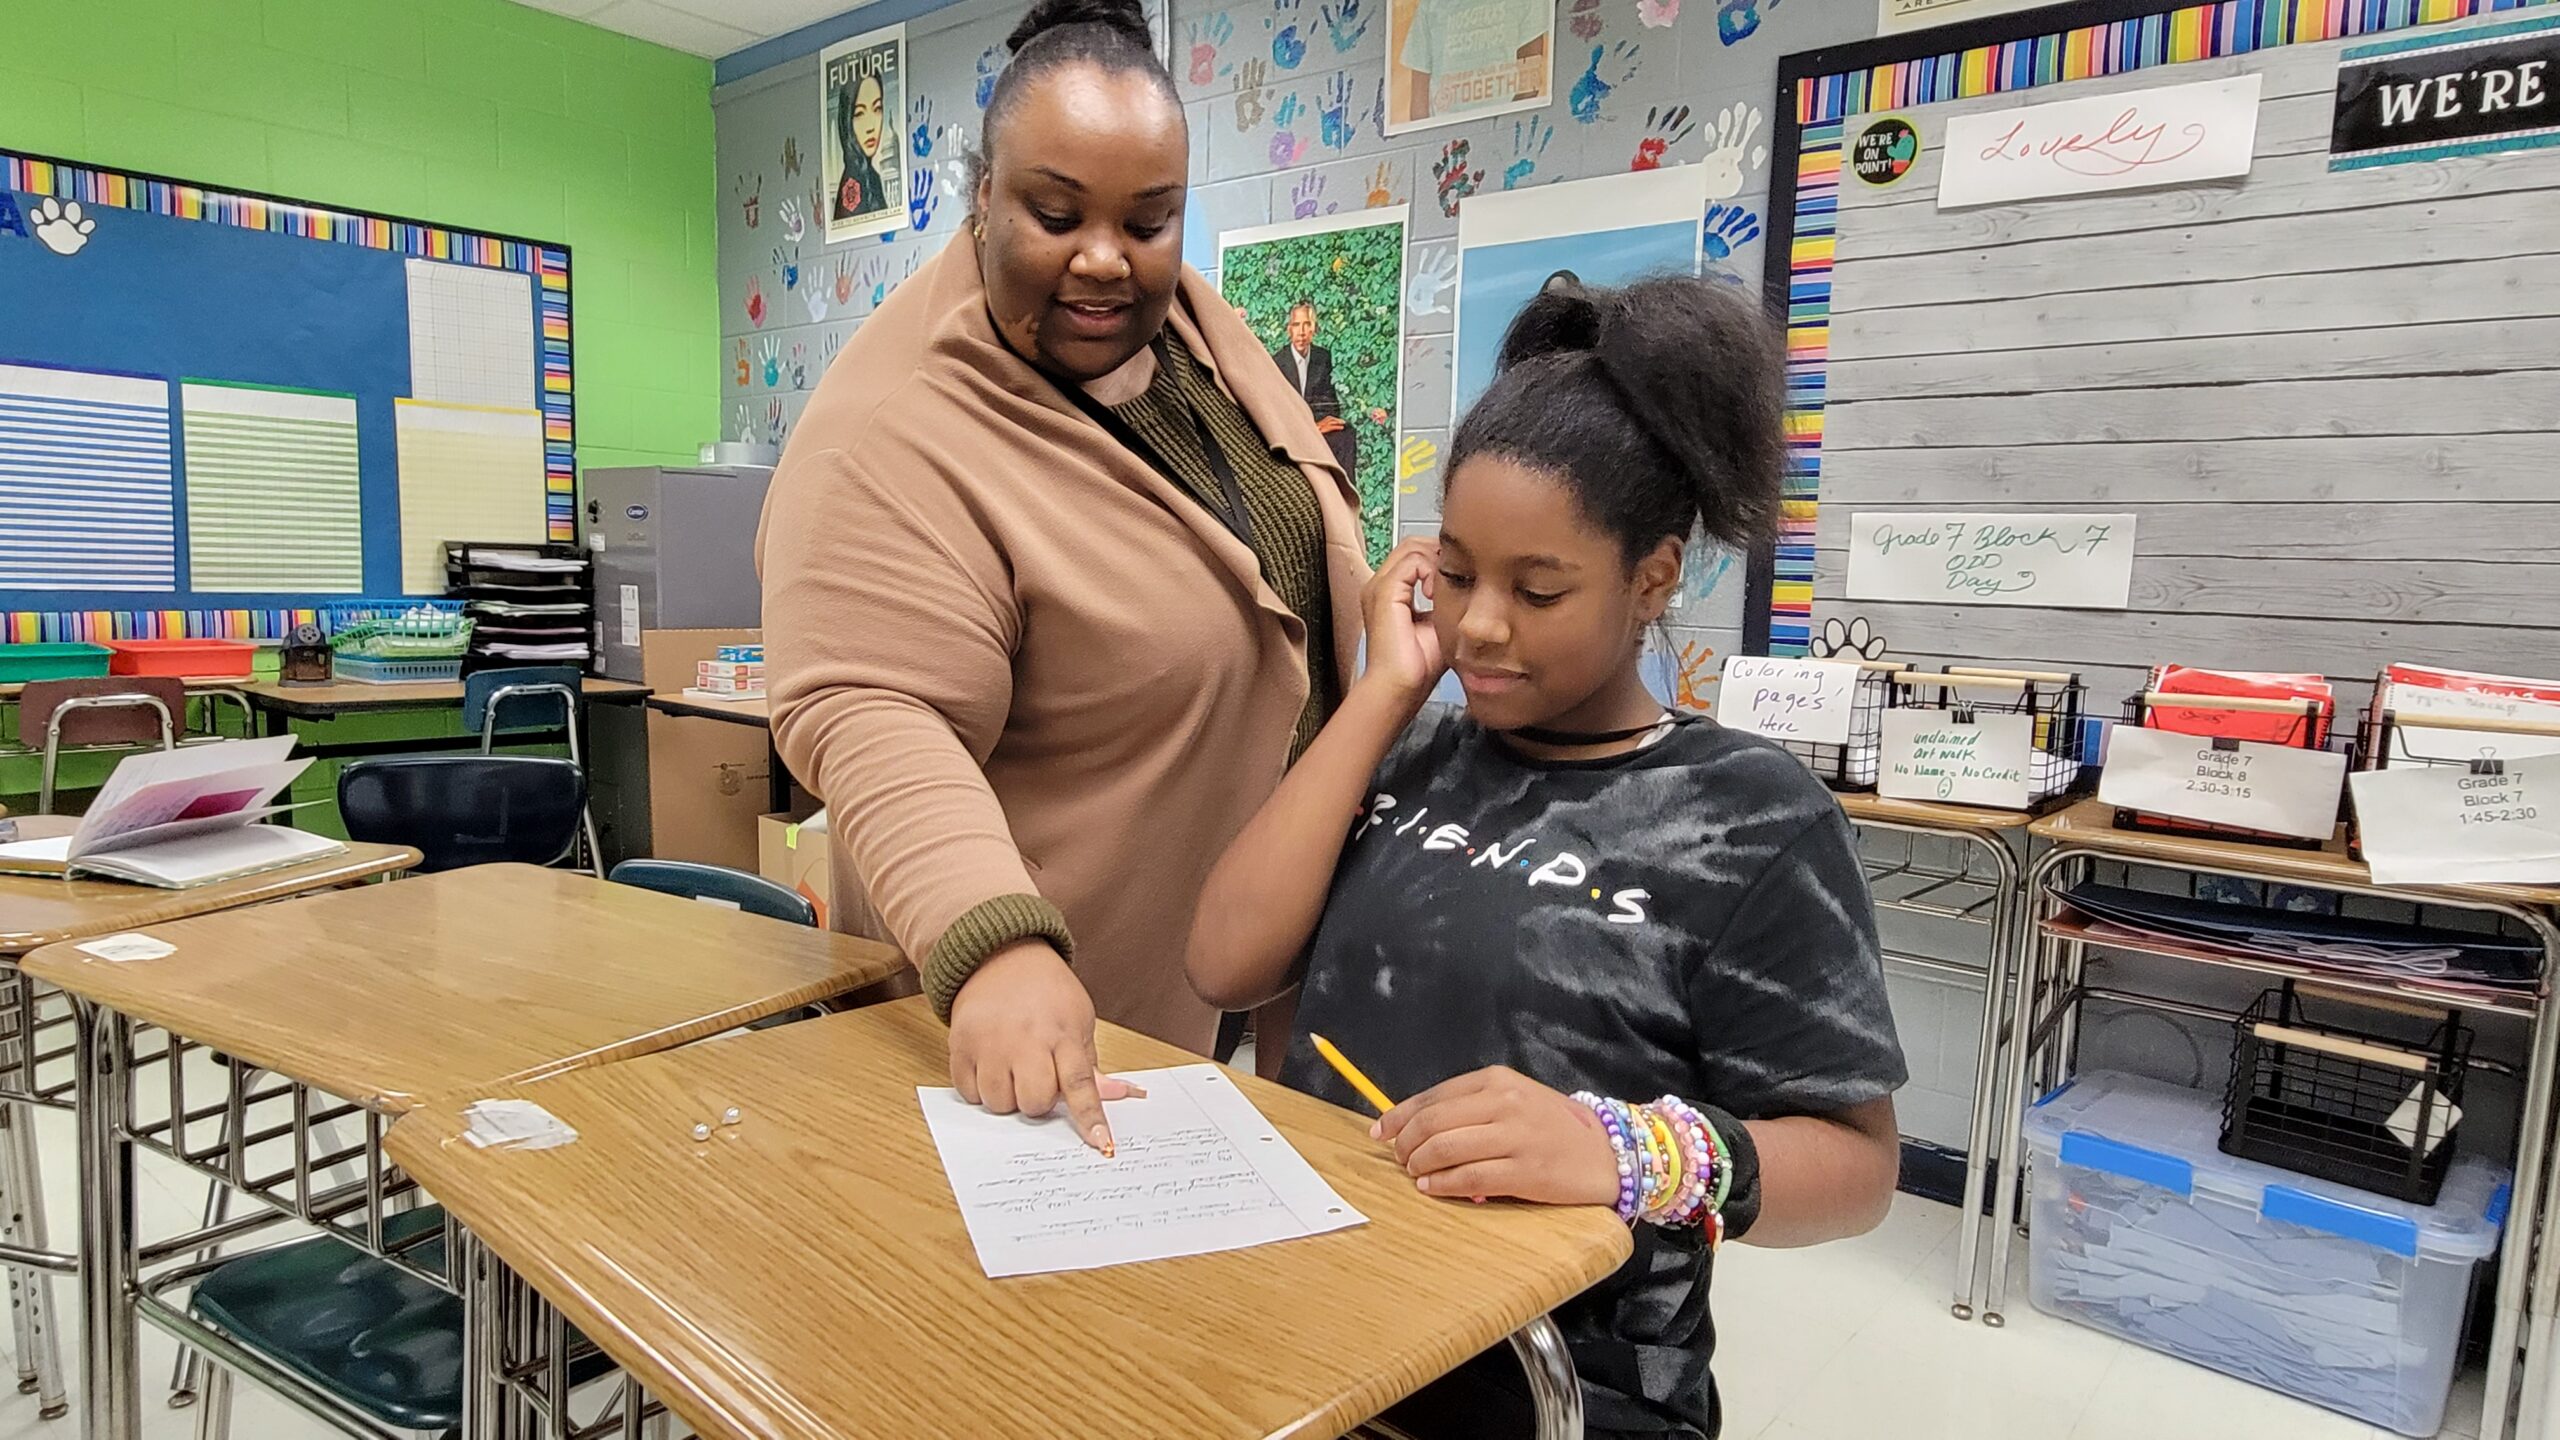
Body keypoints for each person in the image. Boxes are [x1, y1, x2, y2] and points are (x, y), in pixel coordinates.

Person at [1186, 275, 1906, 1439]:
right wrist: (1380, 696)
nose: (1478, 625)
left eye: (1538, 589)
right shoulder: (1409, 743)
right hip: (1315, 1337)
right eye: (1458, 572)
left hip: (1555, 1390)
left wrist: (1617, 1149)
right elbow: (1222, 963)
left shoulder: (1748, 818)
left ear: (1652, 578)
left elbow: (1859, 1171)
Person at [760, 0, 1369, 1154]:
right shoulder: (892, 424)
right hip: (1068, 1010)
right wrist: (996, 943)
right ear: (981, 192)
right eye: (1054, 213)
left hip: (1262, 961)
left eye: (1150, 219)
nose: (1104, 258)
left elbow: (1279, 533)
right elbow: (871, 706)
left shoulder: (1183, 324)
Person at [1271, 298, 1390, 483]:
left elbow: (1328, 401)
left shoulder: (1322, 357)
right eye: (1296, 325)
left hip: (1316, 426)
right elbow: (1277, 411)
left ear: (1314, 329)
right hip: (1289, 431)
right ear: (1289, 329)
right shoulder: (1278, 362)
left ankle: (1345, 492)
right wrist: (1313, 429)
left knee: (1345, 433)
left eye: (1307, 324)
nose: (1301, 332)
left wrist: (1327, 422)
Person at [1399, 0, 1551, 125]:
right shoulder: (1431, 5)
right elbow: (1419, 100)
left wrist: (1504, 128)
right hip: (1445, 136)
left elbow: (1530, 80)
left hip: (1503, 132)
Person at [833, 68, 891, 222]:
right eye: (859, 114)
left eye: (877, 109)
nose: (871, 126)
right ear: (847, 120)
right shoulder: (853, 184)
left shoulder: (871, 176)